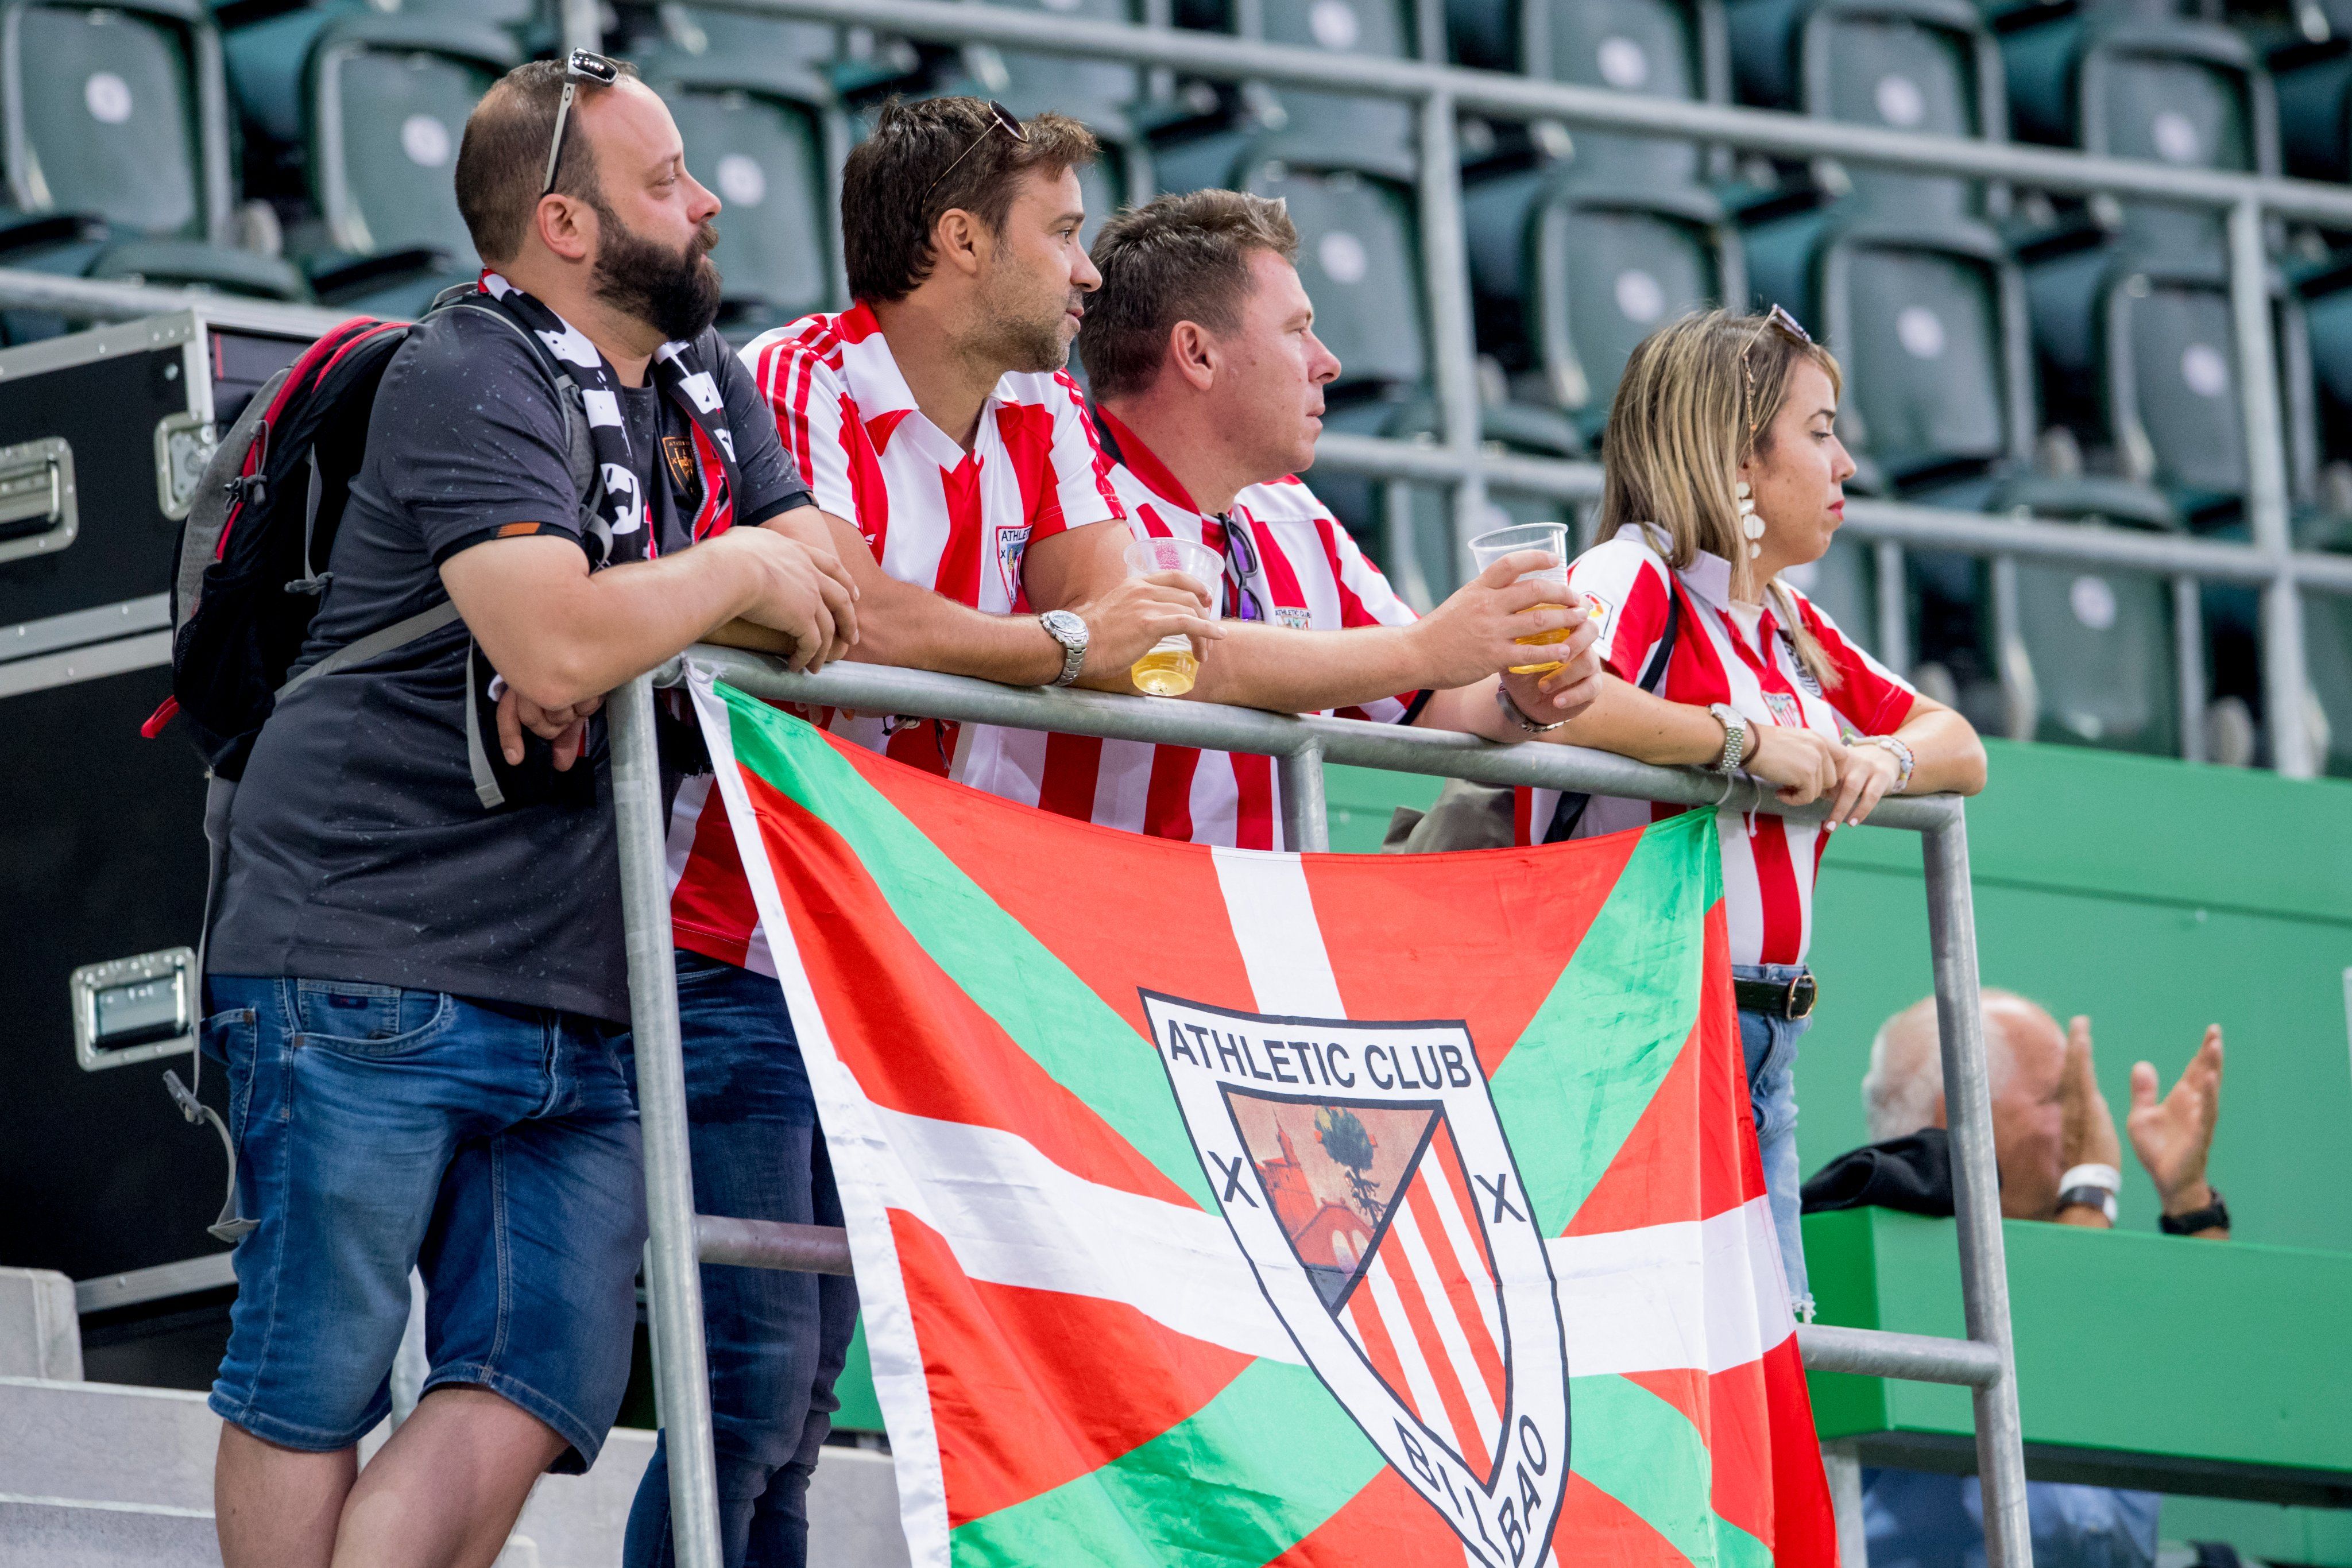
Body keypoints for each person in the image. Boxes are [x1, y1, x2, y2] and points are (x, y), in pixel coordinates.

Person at [198, 55, 856, 1568]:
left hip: (582, 981)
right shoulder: (468, 367)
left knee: (536, 1382)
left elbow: (830, 588)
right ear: (565, 224)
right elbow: (564, 640)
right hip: (364, 943)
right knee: (316, 1377)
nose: (707, 203)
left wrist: (664, 604)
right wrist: (723, 581)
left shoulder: (702, 379)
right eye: (667, 180)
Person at [633, 98, 1214, 1568]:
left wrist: (1057, 636)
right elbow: (846, 615)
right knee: (752, 1385)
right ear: (961, 242)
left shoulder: (1039, 411)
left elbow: (1120, 619)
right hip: (737, 946)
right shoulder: (784, 381)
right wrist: (1056, 639)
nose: (1090, 274)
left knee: (804, 1400)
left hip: (896, 976)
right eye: (1065, 234)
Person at [1533, 307, 1989, 1317]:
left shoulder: (1789, 621)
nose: (1848, 465)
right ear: (1739, 457)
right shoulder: (1631, 572)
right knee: (1648, 1358)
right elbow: (1556, 697)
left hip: (1764, 1042)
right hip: (1636, 1026)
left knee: (1766, 1364)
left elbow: (1962, 747)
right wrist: (1737, 743)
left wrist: (1885, 754)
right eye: (1820, 432)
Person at [950, 186, 1604, 842]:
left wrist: (1519, 699)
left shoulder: (1292, 511)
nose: (1329, 363)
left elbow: (1426, 700)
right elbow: (1179, 660)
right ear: (1198, 354)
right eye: (1297, 332)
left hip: (1260, 925)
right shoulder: (1052, 487)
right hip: (1065, 909)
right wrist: (1428, 648)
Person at [1838, 992, 2230, 1568]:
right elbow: (2036, 1366)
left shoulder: (2090, 1286)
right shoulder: (1885, 1276)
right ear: (1958, 1116)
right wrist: (2090, 1194)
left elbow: (2234, 1391)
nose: (2089, 1120)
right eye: (2060, 1099)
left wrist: (2188, 1204)